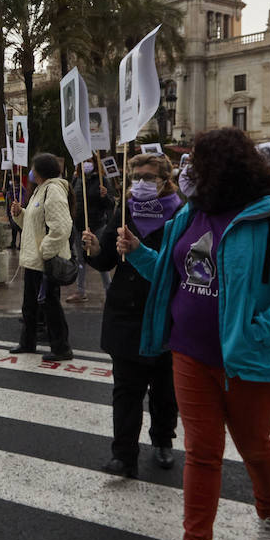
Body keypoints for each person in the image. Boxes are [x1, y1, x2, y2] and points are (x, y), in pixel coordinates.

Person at [117, 126, 270, 540]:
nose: (186, 171)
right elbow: (174, 275)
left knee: (254, 446)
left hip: (249, 361)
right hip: (190, 353)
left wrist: (255, 332)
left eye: (195, 163)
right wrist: (137, 254)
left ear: (223, 168)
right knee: (203, 453)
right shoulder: (192, 213)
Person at [81, 152, 180, 478]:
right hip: (126, 313)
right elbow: (106, 259)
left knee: (165, 390)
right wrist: (95, 248)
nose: (140, 183)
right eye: (135, 177)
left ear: (166, 180)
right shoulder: (126, 211)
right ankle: (123, 455)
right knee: (126, 390)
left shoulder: (180, 215)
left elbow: (178, 268)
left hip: (165, 314)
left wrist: (141, 251)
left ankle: (163, 440)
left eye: (148, 177)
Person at [9, 153, 74, 362]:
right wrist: (20, 214)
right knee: (30, 305)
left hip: (44, 261)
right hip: (34, 260)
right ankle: (27, 343)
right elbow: (34, 222)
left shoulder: (53, 190)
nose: (30, 171)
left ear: (39, 171)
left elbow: (62, 226)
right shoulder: (41, 189)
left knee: (50, 305)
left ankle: (61, 348)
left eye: (33, 168)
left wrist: (46, 251)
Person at [66, 160, 113, 303]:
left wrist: (105, 196)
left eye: (90, 161)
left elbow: (111, 204)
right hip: (79, 226)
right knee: (80, 260)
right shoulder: (76, 180)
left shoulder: (101, 180)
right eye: (84, 161)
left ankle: (109, 291)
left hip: (97, 225)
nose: (87, 163)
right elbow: (72, 200)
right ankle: (80, 291)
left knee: (99, 257)